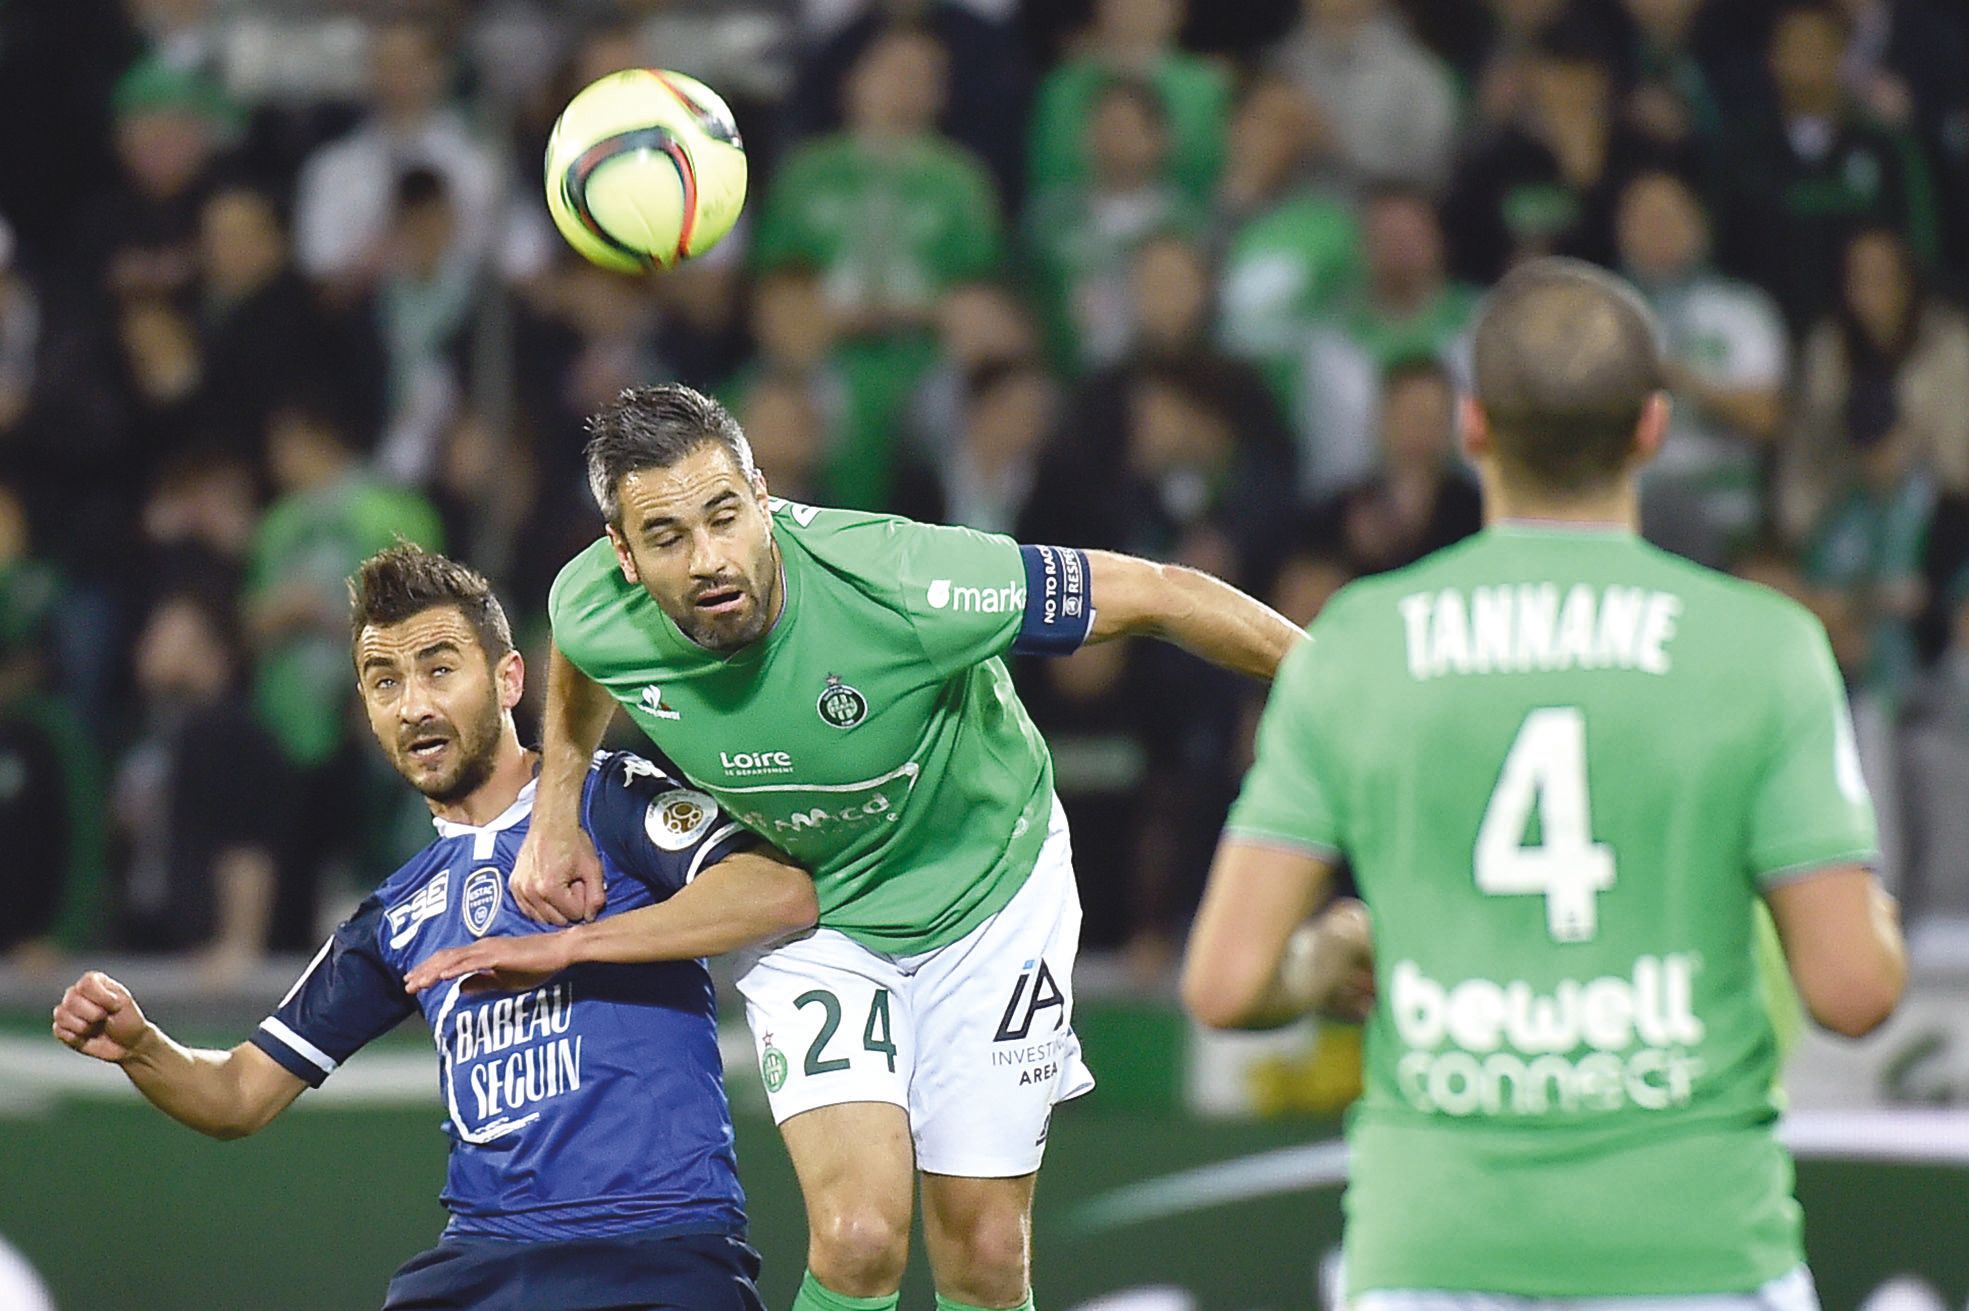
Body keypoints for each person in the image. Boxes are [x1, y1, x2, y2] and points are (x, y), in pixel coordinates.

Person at [431, 383, 1301, 1311]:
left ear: (762, 496)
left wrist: (1343, 686)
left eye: (725, 515)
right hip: (814, 907)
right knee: (856, 1237)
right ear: (625, 555)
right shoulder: (596, 603)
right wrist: (556, 809)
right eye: (669, 537)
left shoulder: (897, 580)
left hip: (988, 896)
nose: (710, 557)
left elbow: (1161, 595)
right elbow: (582, 654)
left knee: (985, 1247)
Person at [1183, 258, 1908, 1307]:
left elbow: (1225, 984)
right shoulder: (1763, 650)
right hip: (1695, 1244)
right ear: (1651, 430)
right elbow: (1852, 991)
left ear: (1473, 429)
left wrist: (1326, 959)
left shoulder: (1356, 646)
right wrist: (1869, 918)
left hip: (1437, 1250)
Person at [53, 544, 819, 1310]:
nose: (413, 703)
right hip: (484, 1266)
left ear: (509, 678)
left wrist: (566, 944)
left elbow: (777, 891)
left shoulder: (604, 799)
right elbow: (239, 1094)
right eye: (386, 682)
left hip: (653, 1252)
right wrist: (142, 1047)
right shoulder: (394, 914)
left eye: (439, 668)